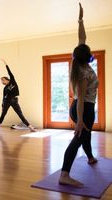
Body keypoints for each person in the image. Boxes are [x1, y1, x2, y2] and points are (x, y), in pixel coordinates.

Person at [59, 3, 98, 187]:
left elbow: (82, 37)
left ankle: (90, 157)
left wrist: (80, 19)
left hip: (80, 106)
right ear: (86, 57)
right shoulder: (82, 72)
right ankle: (64, 174)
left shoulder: (78, 60)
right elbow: (81, 98)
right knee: (79, 137)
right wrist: (80, 120)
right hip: (84, 108)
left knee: (86, 136)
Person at [0, 59, 36, 132]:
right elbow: (3, 97)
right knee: (3, 114)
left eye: (3, 80)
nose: (2, 82)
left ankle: (30, 127)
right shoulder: (5, 88)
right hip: (7, 101)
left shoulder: (12, 81)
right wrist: (2, 104)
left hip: (14, 100)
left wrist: (5, 64)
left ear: (7, 79)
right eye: (1, 81)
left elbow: (9, 72)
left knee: (20, 114)